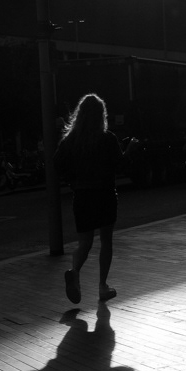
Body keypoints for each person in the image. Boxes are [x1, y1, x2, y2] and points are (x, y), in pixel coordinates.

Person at [55, 93, 126, 305]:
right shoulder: (107, 139)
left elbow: (57, 163)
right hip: (104, 194)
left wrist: (72, 180)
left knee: (84, 242)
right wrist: (130, 150)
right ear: (101, 115)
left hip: (82, 195)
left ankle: (74, 271)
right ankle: (102, 286)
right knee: (106, 240)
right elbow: (119, 165)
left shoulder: (71, 141)